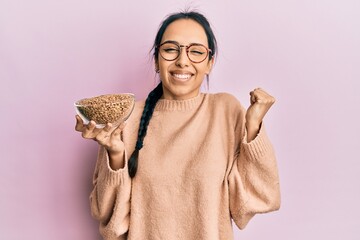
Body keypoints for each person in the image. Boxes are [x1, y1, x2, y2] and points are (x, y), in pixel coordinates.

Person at [75, 10, 281, 240]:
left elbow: (260, 197)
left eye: (196, 52)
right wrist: (114, 154)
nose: (183, 61)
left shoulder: (226, 111)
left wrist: (253, 127)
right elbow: (105, 213)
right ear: (156, 60)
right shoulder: (128, 119)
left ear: (210, 63)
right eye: (171, 49)